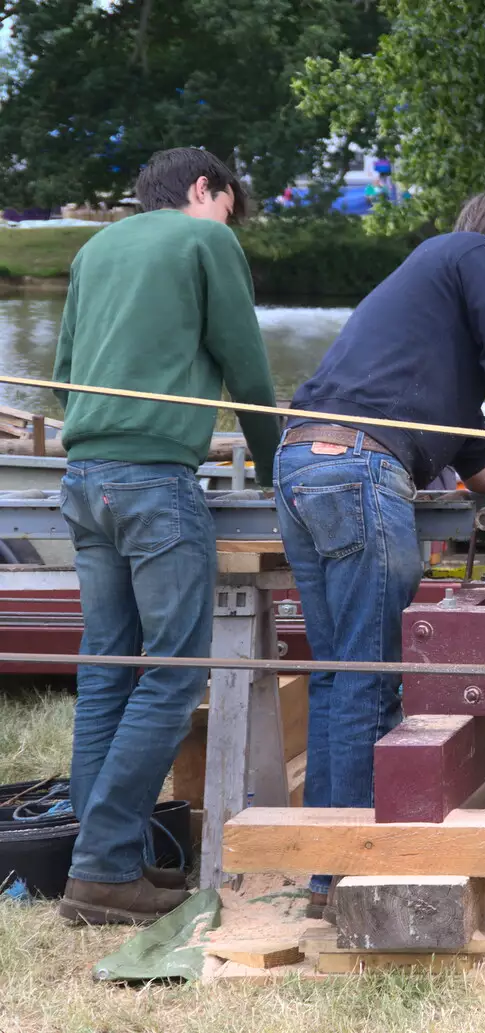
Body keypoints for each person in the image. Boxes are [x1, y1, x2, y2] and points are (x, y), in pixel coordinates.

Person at [276, 185, 485, 917]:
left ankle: (325, 866)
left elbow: (480, 464)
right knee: (372, 679)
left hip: (304, 463)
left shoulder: (440, 327)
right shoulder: (474, 256)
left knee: (340, 675)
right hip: (357, 471)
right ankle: (351, 876)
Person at [53, 148, 281, 925]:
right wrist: (277, 465)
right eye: (228, 206)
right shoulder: (203, 239)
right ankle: (99, 865)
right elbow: (248, 368)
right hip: (154, 481)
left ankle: (105, 863)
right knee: (177, 673)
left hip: (83, 479)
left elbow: (61, 380)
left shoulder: (92, 250)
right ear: (202, 189)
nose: (230, 227)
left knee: (108, 671)